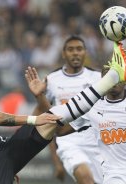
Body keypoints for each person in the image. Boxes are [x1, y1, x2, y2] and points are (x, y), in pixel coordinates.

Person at [0, 41, 126, 184]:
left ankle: (111, 78)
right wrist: (33, 119)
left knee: (53, 120)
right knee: (46, 121)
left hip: (4, 152)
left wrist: (39, 100)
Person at [27, 65, 126, 184]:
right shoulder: (92, 107)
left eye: (116, 76)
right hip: (115, 175)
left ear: (125, 79)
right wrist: (41, 97)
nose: (113, 81)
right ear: (102, 82)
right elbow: (60, 130)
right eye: (108, 78)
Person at [31, 35, 103, 184]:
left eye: (79, 49)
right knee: (86, 179)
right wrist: (56, 162)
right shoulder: (51, 80)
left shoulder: (98, 79)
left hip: (98, 142)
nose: (75, 53)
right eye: (70, 49)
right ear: (63, 54)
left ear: (85, 52)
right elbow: (44, 117)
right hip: (69, 142)